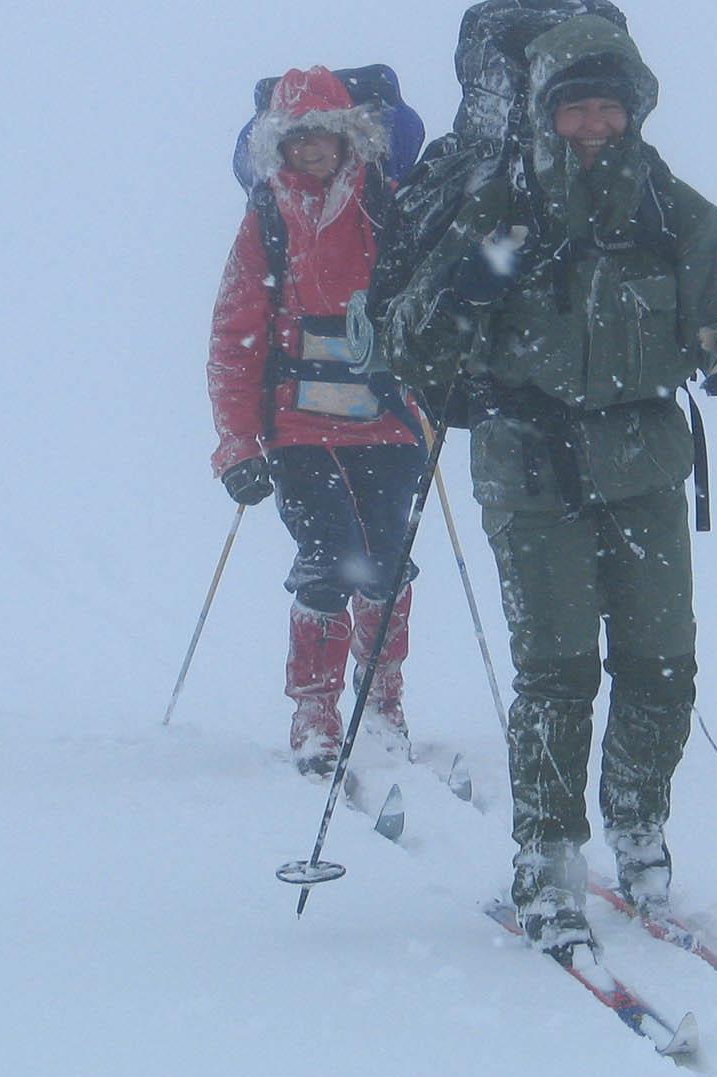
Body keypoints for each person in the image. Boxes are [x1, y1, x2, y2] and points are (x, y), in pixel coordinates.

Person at [388, 15, 717, 953]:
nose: (595, 124)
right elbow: (408, 345)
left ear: (635, 109)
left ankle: (640, 833)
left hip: (644, 466)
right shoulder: (492, 206)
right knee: (558, 673)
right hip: (529, 471)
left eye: (610, 106)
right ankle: (548, 858)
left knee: (662, 668)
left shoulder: (673, 210)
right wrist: (464, 289)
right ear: (545, 113)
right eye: (578, 108)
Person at [208, 66, 426, 776]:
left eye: (324, 138)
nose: (312, 151)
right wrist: (237, 443)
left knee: (387, 563)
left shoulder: (391, 210)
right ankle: (313, 707)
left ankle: (381, 692)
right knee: (327, 560)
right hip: (296, 427)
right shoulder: (266, 218)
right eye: (298, 140)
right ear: (278, 145)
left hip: (389, 420)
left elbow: (429, 314)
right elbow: (236, 336)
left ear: (350, 138)